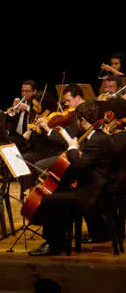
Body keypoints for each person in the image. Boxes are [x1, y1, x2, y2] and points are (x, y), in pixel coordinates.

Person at [28, 101, 113, 256]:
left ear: (84, 120)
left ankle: (54, 244)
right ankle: (60, 241)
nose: (77, 124)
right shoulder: (97, 137)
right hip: (90, 187)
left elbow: (78, 165)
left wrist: (72, 149)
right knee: (59, 194)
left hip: (91, 194)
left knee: (49, 199)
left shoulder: (96, 141)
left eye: (78, 120)